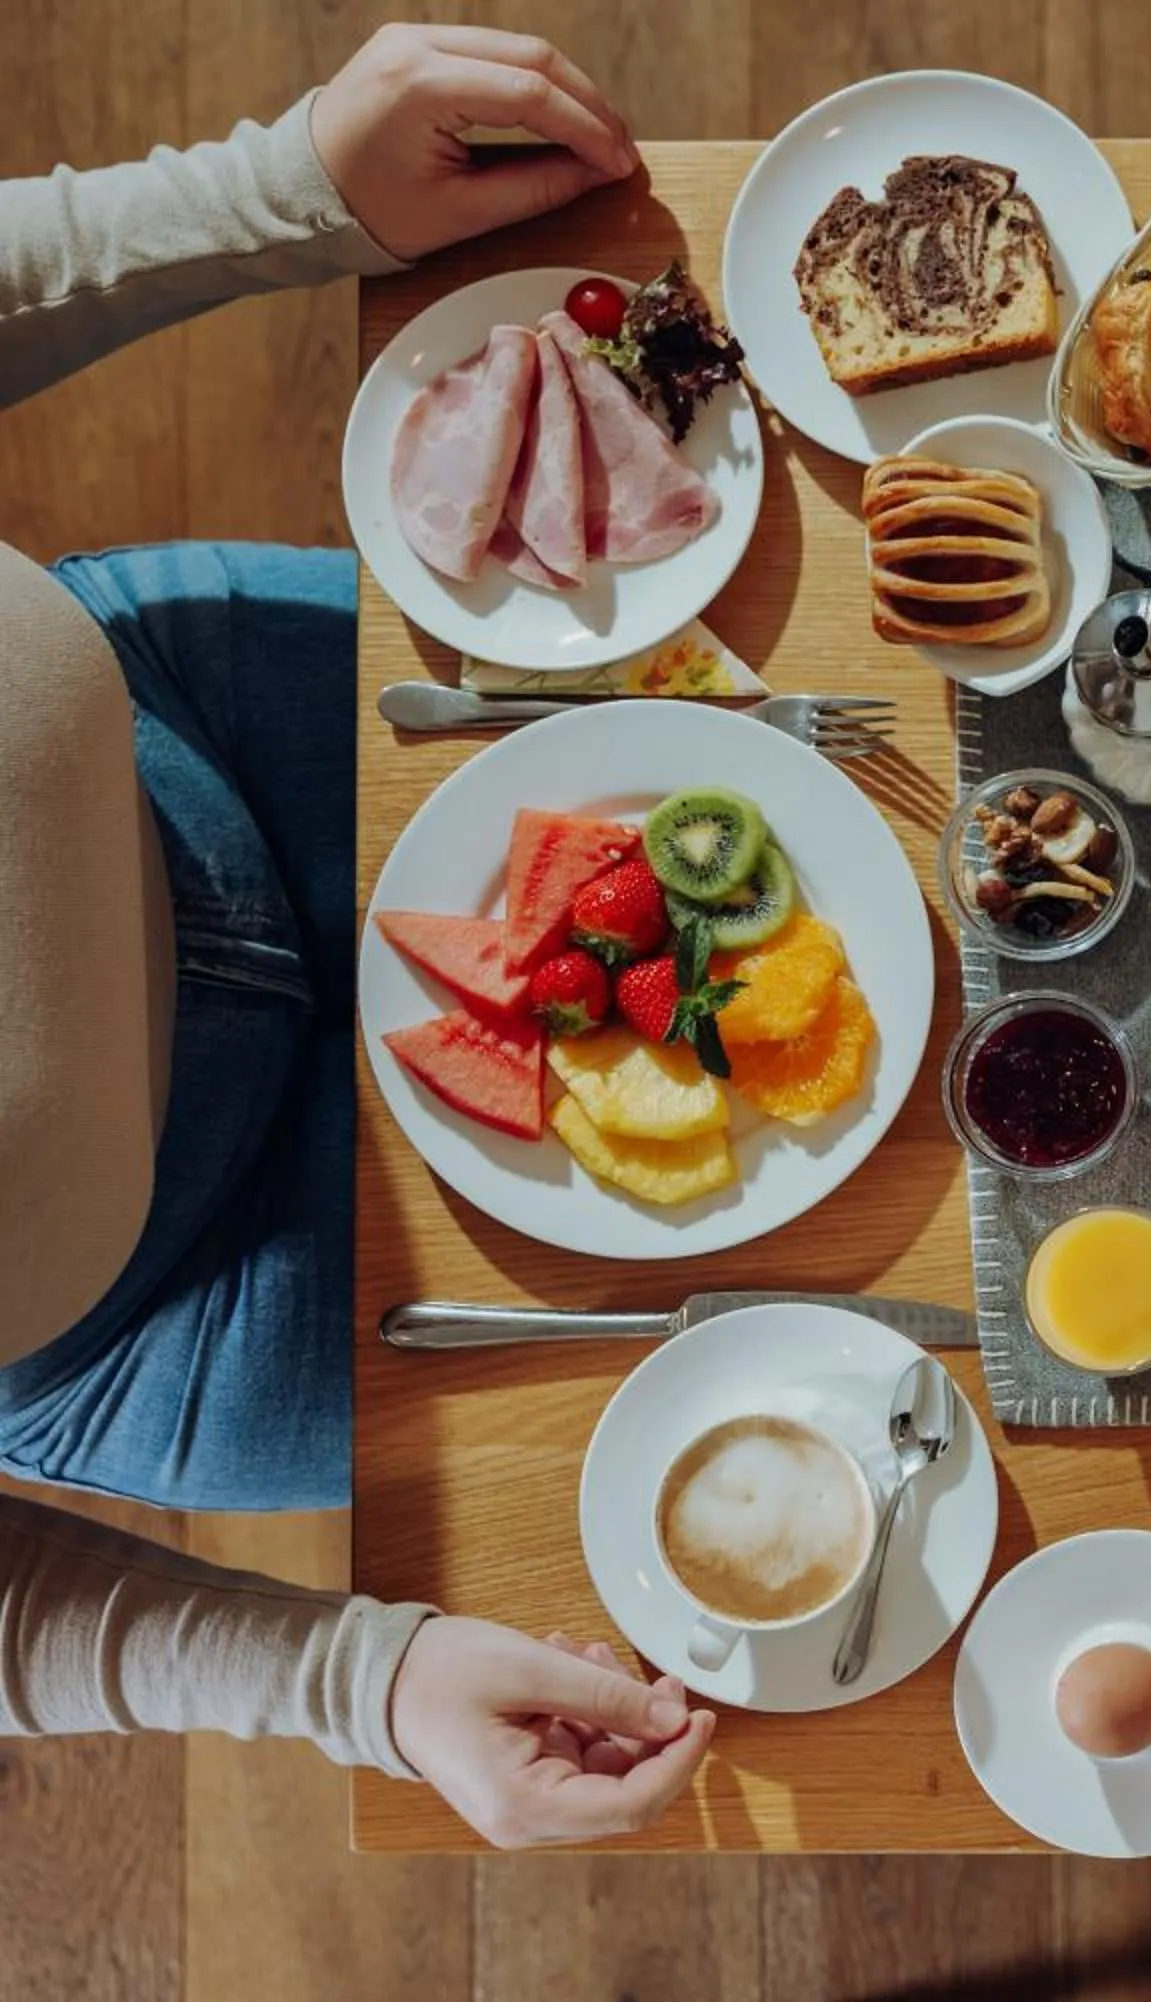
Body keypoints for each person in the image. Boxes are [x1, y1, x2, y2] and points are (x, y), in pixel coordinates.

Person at [0, 23, 707, 1847]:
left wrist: (263, 191)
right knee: (751, 1296)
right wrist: (355, 1681)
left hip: (177, 718)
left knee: (772, 806)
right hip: (176, 1300)